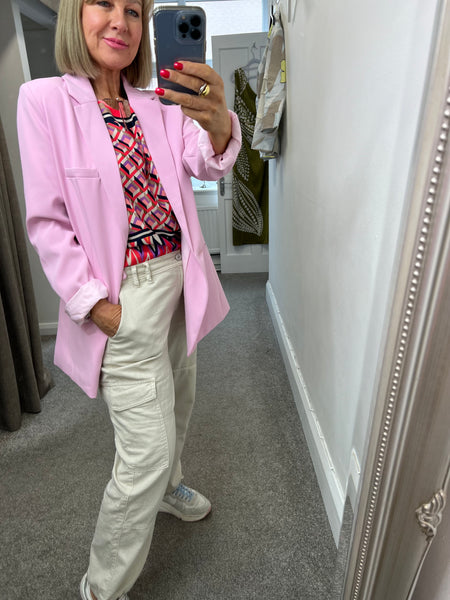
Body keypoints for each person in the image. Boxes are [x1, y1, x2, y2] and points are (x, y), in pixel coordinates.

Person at [16, 1, 241, 599]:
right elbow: (47, 221)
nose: (121, 21)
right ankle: (101, 588)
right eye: (104, 4)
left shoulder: (159, 103)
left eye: (135, 11)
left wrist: (218, 122)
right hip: (123, 300)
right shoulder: (43, 101)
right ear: (75, 14)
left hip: (181, 286)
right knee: (144, 454)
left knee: (179, 405)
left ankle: (170, 490)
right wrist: (96, 306)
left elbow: (205, 162)